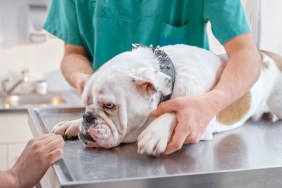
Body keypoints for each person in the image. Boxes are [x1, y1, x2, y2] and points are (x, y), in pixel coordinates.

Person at [44, 1, 261, 155]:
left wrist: (209, 104)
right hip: (115, 131)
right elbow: (73, 54)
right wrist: (85, 82)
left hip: (187, 128)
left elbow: (247, 55)